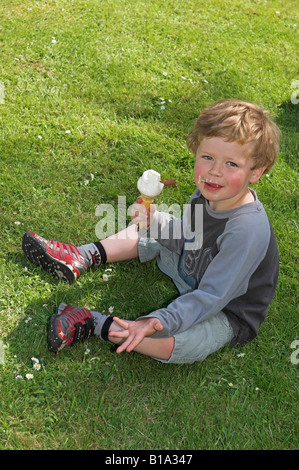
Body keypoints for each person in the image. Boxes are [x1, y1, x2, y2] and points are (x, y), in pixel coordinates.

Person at [22, 99, 280, 364]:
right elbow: (186, 236)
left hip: (224, 307)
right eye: (208, 157)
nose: (214, 172)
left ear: (256, 171)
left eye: (231, 164)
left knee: (184, 345)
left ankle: (94, 322)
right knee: (151, 228)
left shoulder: (246, 230)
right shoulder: (209, 192)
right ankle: (83, 255)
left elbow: (211, 296)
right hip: (191, 271)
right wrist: (152, 221)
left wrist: (158, 320)